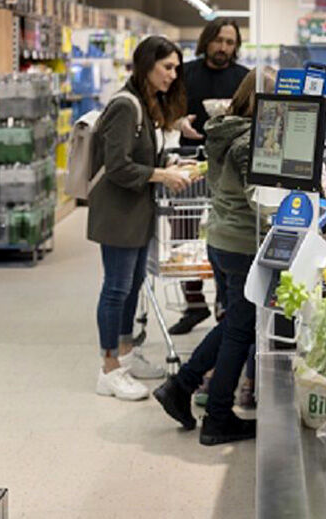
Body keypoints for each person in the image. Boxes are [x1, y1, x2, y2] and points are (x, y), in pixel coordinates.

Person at [153, 67, 326, 443]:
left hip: (223, 238)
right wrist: (312, 208)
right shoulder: (250, 143)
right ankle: (217, 419)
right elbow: (261, 200)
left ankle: (181, 385)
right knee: (240, 331)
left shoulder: (226, 129)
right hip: (244, 243)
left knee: (235, 323)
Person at [89, 36, 193, 401]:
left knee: (133, 285)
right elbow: (118, 165)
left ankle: (126, 356)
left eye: (176, 68)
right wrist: (162, 176)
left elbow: (143, 155)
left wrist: (173, 165)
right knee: (116, 289)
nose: (173, 74)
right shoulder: (125, 105)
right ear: (147, 65)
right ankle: (108, 368)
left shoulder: (148, 105)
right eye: (167, 67)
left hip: (136, 211)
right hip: (118, 212)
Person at [168, 18, 251, 335]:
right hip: (190, 163)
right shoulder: (185, 73)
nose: (224, 48)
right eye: (218, 41)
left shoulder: (243, 78)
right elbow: (167, 110)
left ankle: (223, 304)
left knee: (223, 239)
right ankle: (194, 304)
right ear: (206, 41)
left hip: (229, 169)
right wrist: (177, 122)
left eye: (230, 42)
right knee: (183, 235)